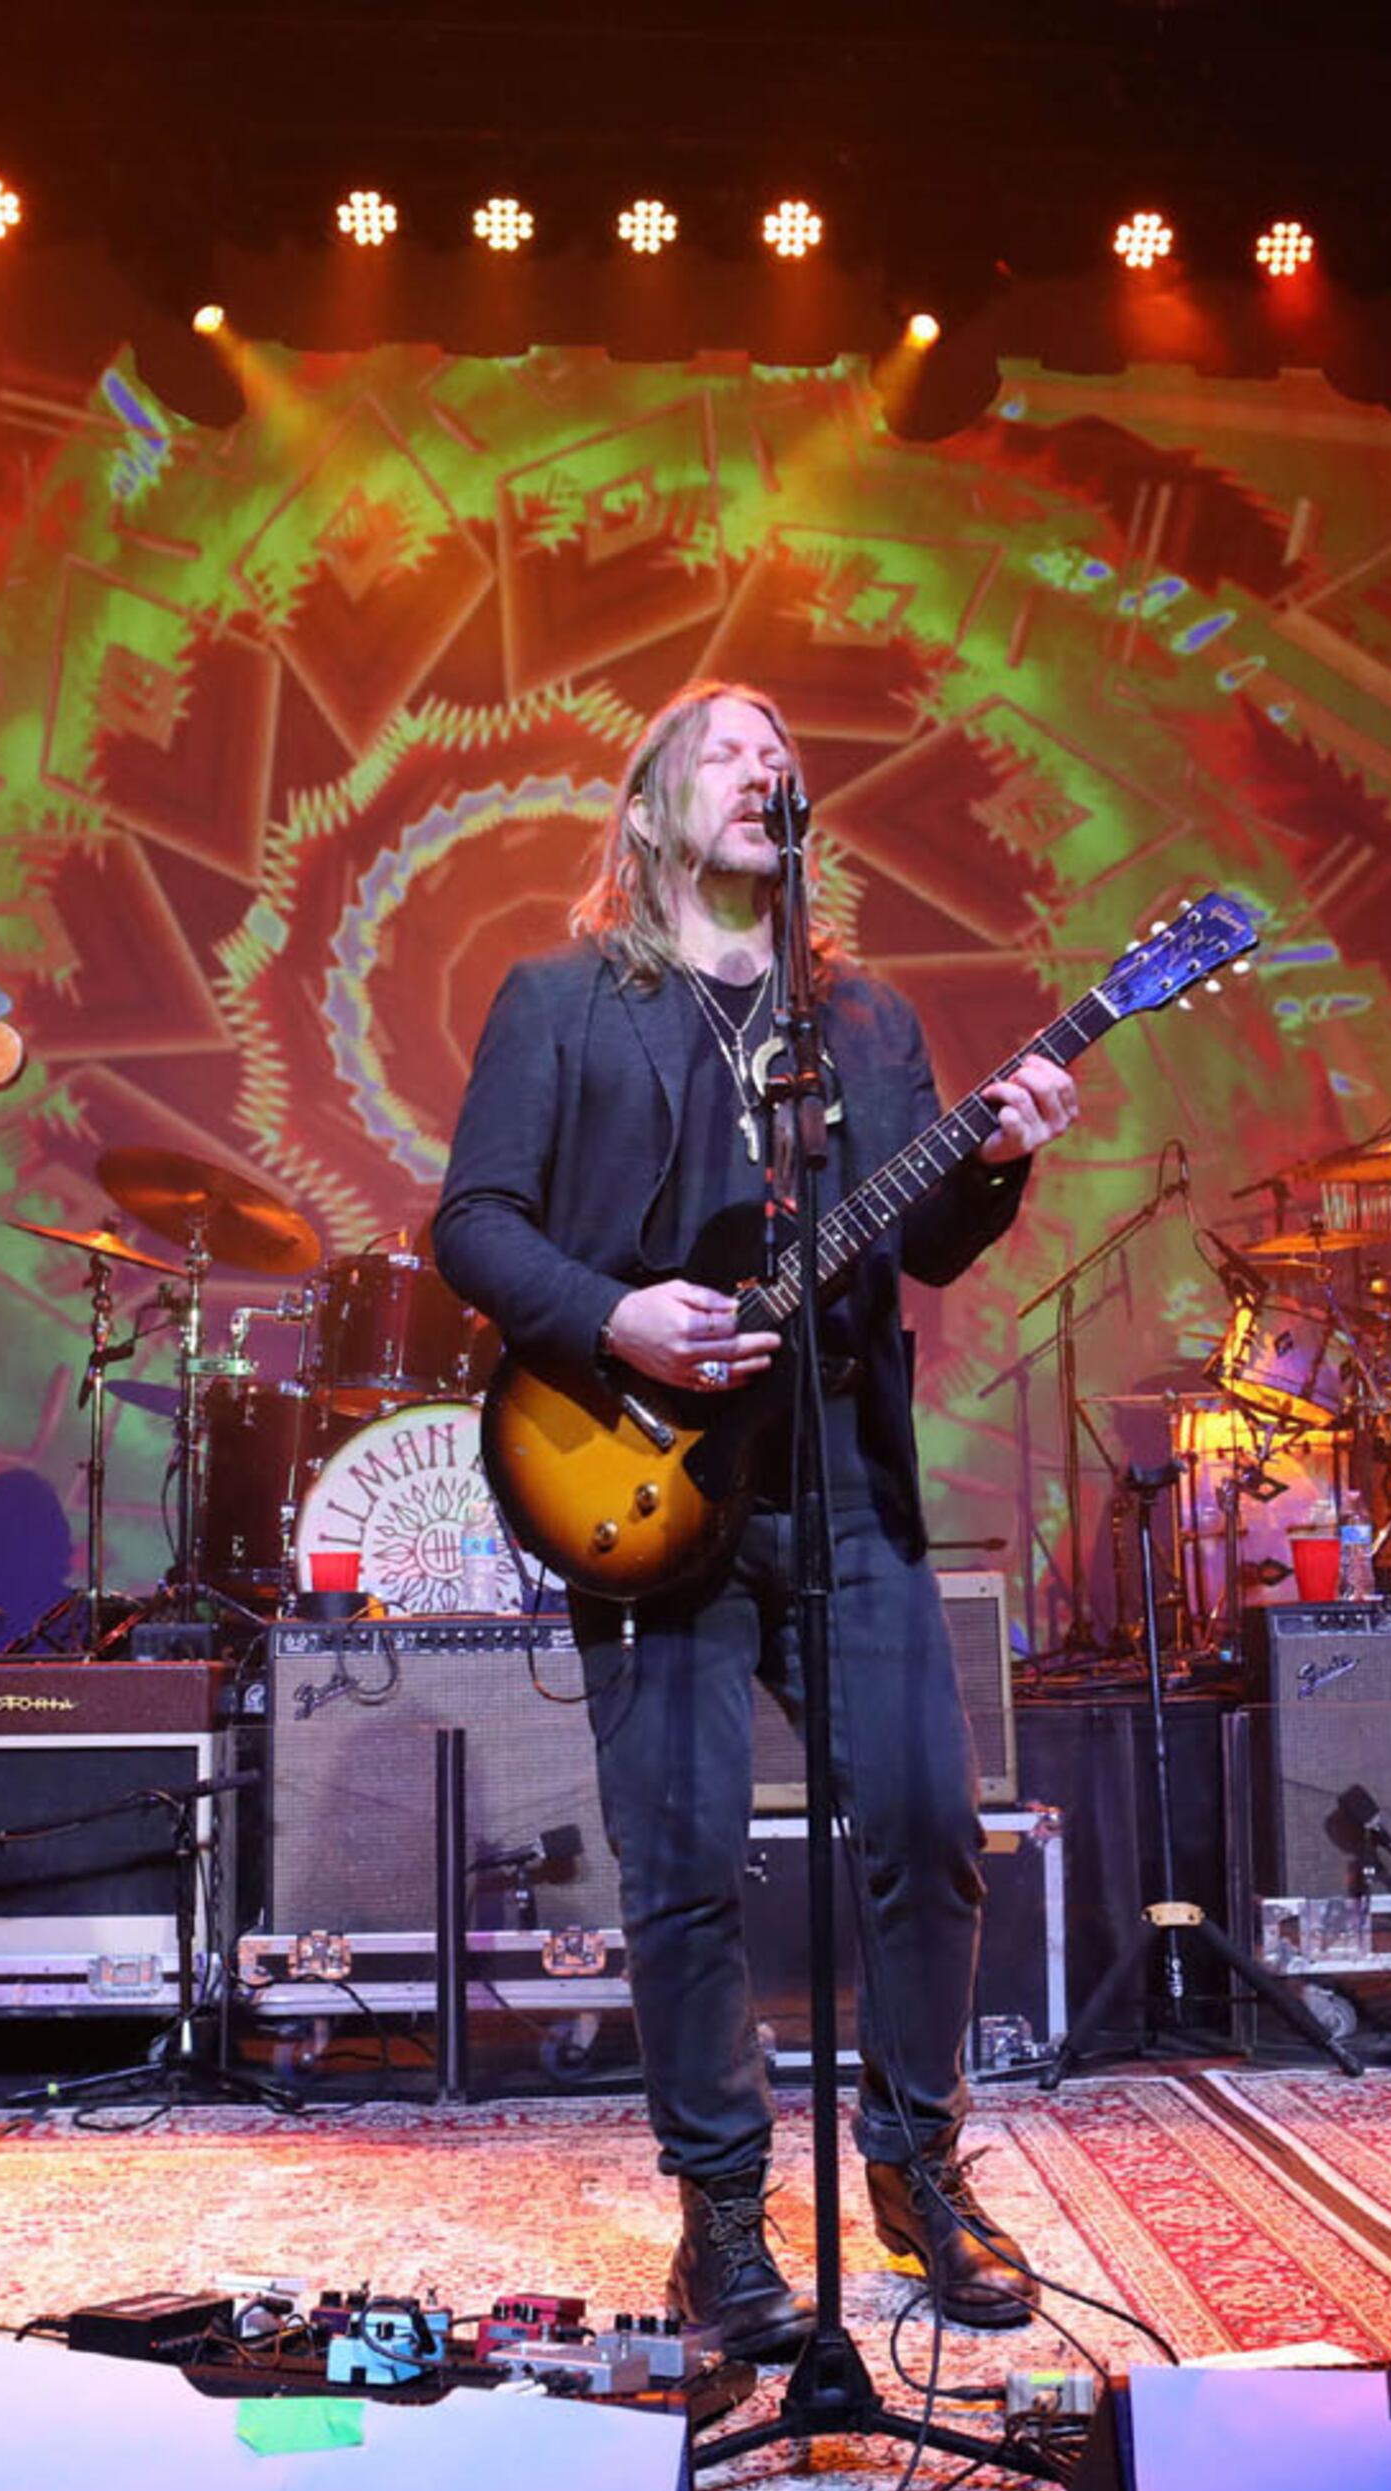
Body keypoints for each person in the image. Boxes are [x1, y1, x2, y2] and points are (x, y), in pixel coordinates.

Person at [433, 680, 1076, 2360]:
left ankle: (915, 2168)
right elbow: (473, 1225)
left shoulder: (865, 1021)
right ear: (650, 810)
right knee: (683, 1863)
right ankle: (721, 2215)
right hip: (645, 1477)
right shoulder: (563, 1000)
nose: (761, 764)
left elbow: (924, 1244)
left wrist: (999, 1157)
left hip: (844, 1479)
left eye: (782, 748)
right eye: (721, 748)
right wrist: (616, 1318)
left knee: (930, 1825)